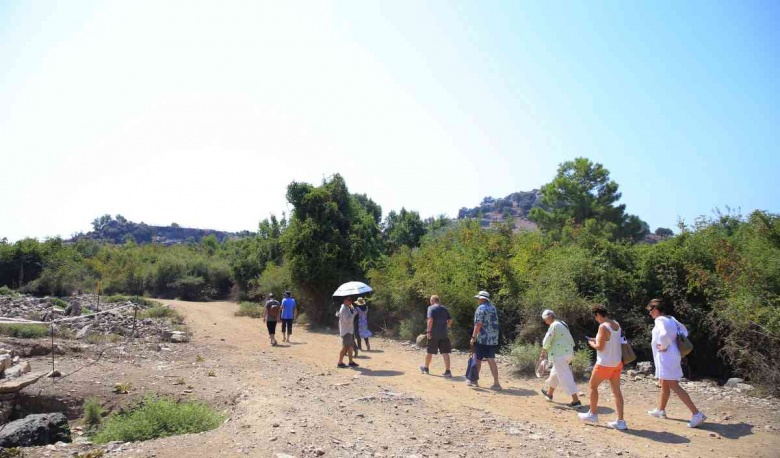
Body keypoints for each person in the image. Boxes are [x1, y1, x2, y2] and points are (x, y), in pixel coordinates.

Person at [646, 299, 706, 428]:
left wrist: (665, 345)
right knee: (664, 383)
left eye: (650, 310)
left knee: (673, 384)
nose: (649, 313)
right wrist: (671, 344)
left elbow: (664, 334)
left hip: (666, 356)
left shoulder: (660, 320)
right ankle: (660, 410)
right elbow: (684, 332)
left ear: (655, 309)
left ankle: (697, 414)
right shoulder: (671, 319)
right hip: (673, 355)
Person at [577, 305, 627, 430]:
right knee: (617, 392)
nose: (596, 319)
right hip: (617, 363)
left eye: (595, 317)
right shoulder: (616, 324)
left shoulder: (603, 326)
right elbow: (611, 340)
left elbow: (600, 347)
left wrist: (591, 343)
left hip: (604, 363)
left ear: (598, 314)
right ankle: (621, 421)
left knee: (593, 386)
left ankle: (593, 414)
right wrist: (597, 339)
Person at [539, 309, 581, 408]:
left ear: (549, 317)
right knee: (555, 373)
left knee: (565, 377)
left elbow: (547, 339)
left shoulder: (553, 325)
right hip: (568, 353)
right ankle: (549, 394)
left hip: (560, 355)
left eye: (545, 319)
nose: (545, 322)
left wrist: (543, 351)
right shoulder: (562, 323)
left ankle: (576, 401)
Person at [469, 290, 501, 389]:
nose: (478, 300)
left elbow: (478, 324)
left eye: (478, 298)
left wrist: (473, 337)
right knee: (491, 359)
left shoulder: (480, 308)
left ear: (482, 299)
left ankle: (474, 381)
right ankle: (496, 383)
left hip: (482, 338)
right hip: (493, 339)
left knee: (477, 359)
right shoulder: (493, 308)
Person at [419, 295, 453, 377]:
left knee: (429, 352)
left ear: (433, 300)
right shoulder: (444, 308)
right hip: (444, 334)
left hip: (434, 334)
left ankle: (426, 369)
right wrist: (446, 326)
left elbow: (430, 320)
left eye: (430, 300)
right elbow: (450, 320)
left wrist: (428, 331)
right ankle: (448, 371)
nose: (430, 302)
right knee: (445, 352)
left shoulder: (431, 308)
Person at [335, 296, 359, 368]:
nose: (350, 301)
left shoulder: (346, 308)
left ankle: (350, 362)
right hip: (346, 331)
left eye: (351, 300)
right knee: (346, 346)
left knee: (350, 347)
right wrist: (354, 314)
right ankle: (340, 362)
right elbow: (347, 320)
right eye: (349, 300)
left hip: (349, 330)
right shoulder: (344, 309)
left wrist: (352, 311)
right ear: (344, 300)